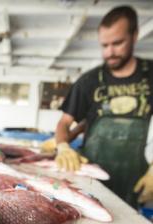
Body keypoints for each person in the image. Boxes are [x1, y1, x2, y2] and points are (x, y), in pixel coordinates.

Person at [51, 6, 153, 208]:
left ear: (134, 36)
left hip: (141, 181)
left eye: (117, 43)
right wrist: (62, 147)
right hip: (93, 180)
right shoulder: (89, 81)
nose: (109, 52)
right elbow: (64, 123)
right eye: (104, 45)